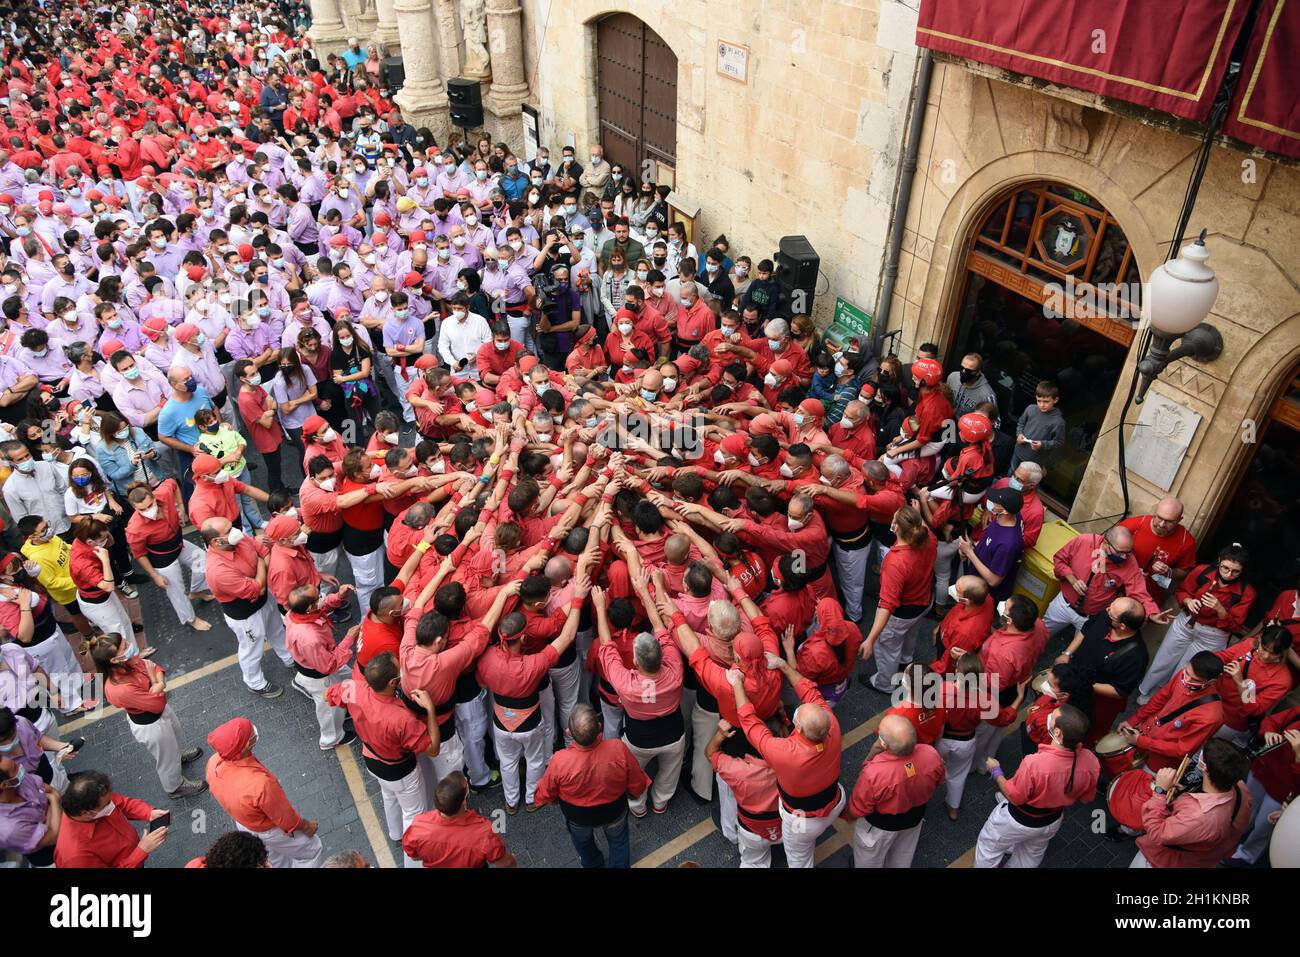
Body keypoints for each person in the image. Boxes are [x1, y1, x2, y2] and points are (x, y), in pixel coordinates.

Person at [728, 648, 844, 868]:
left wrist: (736, 684)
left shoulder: (785, 753)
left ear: (798, 727)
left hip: (802, 821)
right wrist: (782, 664)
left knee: (799, 860)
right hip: (835, 802)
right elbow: (810, 691)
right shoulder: (831, 723)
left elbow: (750, 724)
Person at [326, 653, 441, 869]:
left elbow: (330, 696)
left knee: (388, 795)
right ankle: (413, 864)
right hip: (401, 771)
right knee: (414, 816)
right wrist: (431, 710)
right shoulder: (401, 719)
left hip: (371, 760)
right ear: (392, 683)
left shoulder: (353, 687)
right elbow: (433, 749)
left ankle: (395, 833)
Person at [973, 704, 1099, 868]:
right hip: (1052, 820)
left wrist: (996, 771)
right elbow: (1087, 797)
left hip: (1018, 820)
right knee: (1029, 856)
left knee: (988, 848)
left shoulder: (1034, 763)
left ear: (1058, 733)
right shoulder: (1090, 760)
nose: (1047, 717)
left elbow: (1014, 796)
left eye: (1051, 718)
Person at [87, 634, 206, 799]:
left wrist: (158, 685)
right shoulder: (119, 689)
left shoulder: (128, 662)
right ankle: (175, 786)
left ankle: (179, 756)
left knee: (176, 737)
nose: (130, 646)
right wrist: (156, 682)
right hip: (151, 725)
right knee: (166, 758)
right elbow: (157, 700)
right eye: (124, 646)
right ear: (114, 660)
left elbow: (155, 667)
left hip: (159, 712)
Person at [535, 704, 650, 869]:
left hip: (577, 816)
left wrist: (553, 800)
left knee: (583, 844)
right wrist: (634, 794)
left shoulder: (559, 760)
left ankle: (593, 864)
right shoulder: (618, 748)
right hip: (614, 810)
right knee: (618, 842)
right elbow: (636, 781)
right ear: (599, 727)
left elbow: (546, 792)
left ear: (569, 732)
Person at [1137, 544, 1255, 702]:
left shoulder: (1247, 592)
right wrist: (1188, 601)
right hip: (1186, 622)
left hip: (1212, 635)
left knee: (1189, 670)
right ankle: (1147, 692)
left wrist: (1220, 610)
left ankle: (1165, 701)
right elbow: (1182, 591)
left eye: (1235, 571)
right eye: (1225, 568)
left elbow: (1235, 626)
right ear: (1219, 561)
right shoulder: (1203, 571)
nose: (1228, 574)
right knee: (1164, 658)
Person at [205, 717, 323, 868]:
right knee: (312, 850)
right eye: (251, 732)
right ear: (247, 744)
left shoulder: (213, 762)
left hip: (244, 825)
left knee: (270, 858)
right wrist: (306, 826)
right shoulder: (260, 784)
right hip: (270, 830)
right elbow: (285, 818)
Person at [200, 516, 292, 699]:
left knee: (277, 631)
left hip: (265, 601)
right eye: (228, 530)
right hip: (245, 615)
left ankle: (289, 658)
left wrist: (260, 569)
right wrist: (260, 564)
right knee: (252, 649)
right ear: (216, 541)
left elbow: (264, 552)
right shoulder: (218, 571)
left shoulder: (237, 538)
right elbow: (258, 588)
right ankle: (255, 682)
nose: (236, 531)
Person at [1131, 738, 1252, 868]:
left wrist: (1160, 790)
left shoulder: (1200, 817)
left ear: (1204, 767)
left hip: (1163, 862)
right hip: (1205, 857)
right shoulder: (1240, 788)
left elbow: (1157, 833)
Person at [844, 713, 945, 868]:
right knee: (902, 856)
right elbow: (939, 781)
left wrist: (848, 816)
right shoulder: (931, 754)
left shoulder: (874, 773)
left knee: (869, 859)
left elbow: (860, 806)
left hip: (880, 825)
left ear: (884, 744)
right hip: (914, 818)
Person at [1041, 525, 1169, 640]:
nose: (1124, 557)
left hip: (1091, 618)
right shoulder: (1084, 541)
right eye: (1120, 552)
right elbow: (1059, 559)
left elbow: (1138, 592)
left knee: (1079, 653)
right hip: (1064, 605)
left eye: (1128, 553)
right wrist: (1072, 579)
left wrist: (1152, 614)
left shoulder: (1130, 563)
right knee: (1040, 635)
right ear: (1106, 543)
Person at [861, 507, 936, 693]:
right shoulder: (930, 539)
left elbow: (887, 604)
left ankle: (884, 683)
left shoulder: (895, 562)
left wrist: (871, 638)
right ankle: (905, 661)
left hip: (902, 612)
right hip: (924, 601)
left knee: (887, 646)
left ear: (896, 527)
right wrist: (917, 516)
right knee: (911, 634)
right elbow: (926, 529)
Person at [124, 480, 212, 632]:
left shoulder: (163, 494)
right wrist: (155, 575)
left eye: (150, 505)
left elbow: (172, 483)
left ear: (153, 497)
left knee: (203, 560)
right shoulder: (134, 528)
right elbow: (140, 555)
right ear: (134, 508)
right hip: (162, 558)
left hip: (178, 543)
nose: (148, 511)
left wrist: (181, 507)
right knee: (176, 591)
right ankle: (191, 619)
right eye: (142, 509)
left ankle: (196, 591)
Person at [284, 583, 360, 751]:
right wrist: (349, 639)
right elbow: (328, 666)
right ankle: (331, 738)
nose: (322, 598)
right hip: (322, 672)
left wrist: (338, 597)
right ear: (310, 607)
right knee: (330, 708)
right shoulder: (309, 637)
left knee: (350, 678)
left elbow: (323, 606)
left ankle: (302, 682)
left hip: (316, 661)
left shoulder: (295, 613)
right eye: (318, 597)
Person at [54, 770, 171, 868]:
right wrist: (141, 851)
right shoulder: (75, 856)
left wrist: (148, 812)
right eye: (107, 804)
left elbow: (123, 803)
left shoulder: (98, 799)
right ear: (86, 813)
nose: (112, 804)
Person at [402, 770, 517, 868]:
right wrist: (512, 860)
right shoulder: (483, 833)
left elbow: (414, 856)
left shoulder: (419, 825)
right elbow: (505, 863)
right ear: (464, 801)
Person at [0, 753, 60, 867]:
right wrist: (54, 800)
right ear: (4, 785)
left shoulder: (15, 779)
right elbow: (53, 836)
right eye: (14, 768)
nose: (20, 766)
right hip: (51, 856)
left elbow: (48, 788)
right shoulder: (9, 829)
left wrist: (49, 823)